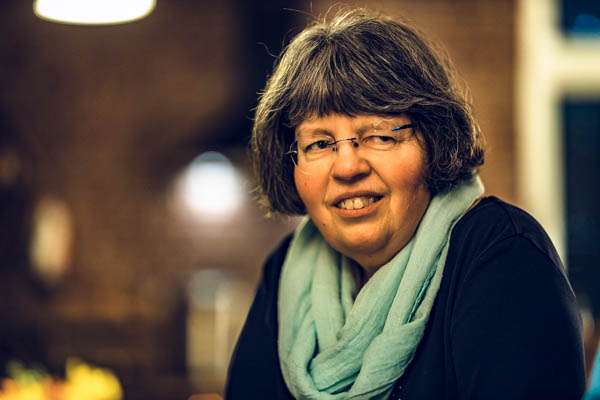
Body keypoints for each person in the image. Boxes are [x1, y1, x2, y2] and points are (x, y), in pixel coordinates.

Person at [226, 8, 585, 400]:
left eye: (380, 136)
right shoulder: (284, 272)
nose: (347, 167)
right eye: (320, 143)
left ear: (434, 140)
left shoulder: (503, 255)